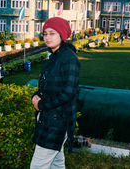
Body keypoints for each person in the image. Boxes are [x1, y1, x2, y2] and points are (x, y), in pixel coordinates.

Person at [30, 17, 80, 169]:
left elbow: (68, 93)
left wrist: (42, 105)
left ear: (62, 35)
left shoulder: (69, 59)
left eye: (52, 33)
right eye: (45, 34)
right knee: (57, 163)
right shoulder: (54, 56)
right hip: (48, 117)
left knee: (38, 166)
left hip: (57, 121)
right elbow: (45, 85)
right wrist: (35, 96)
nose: (47, 37)